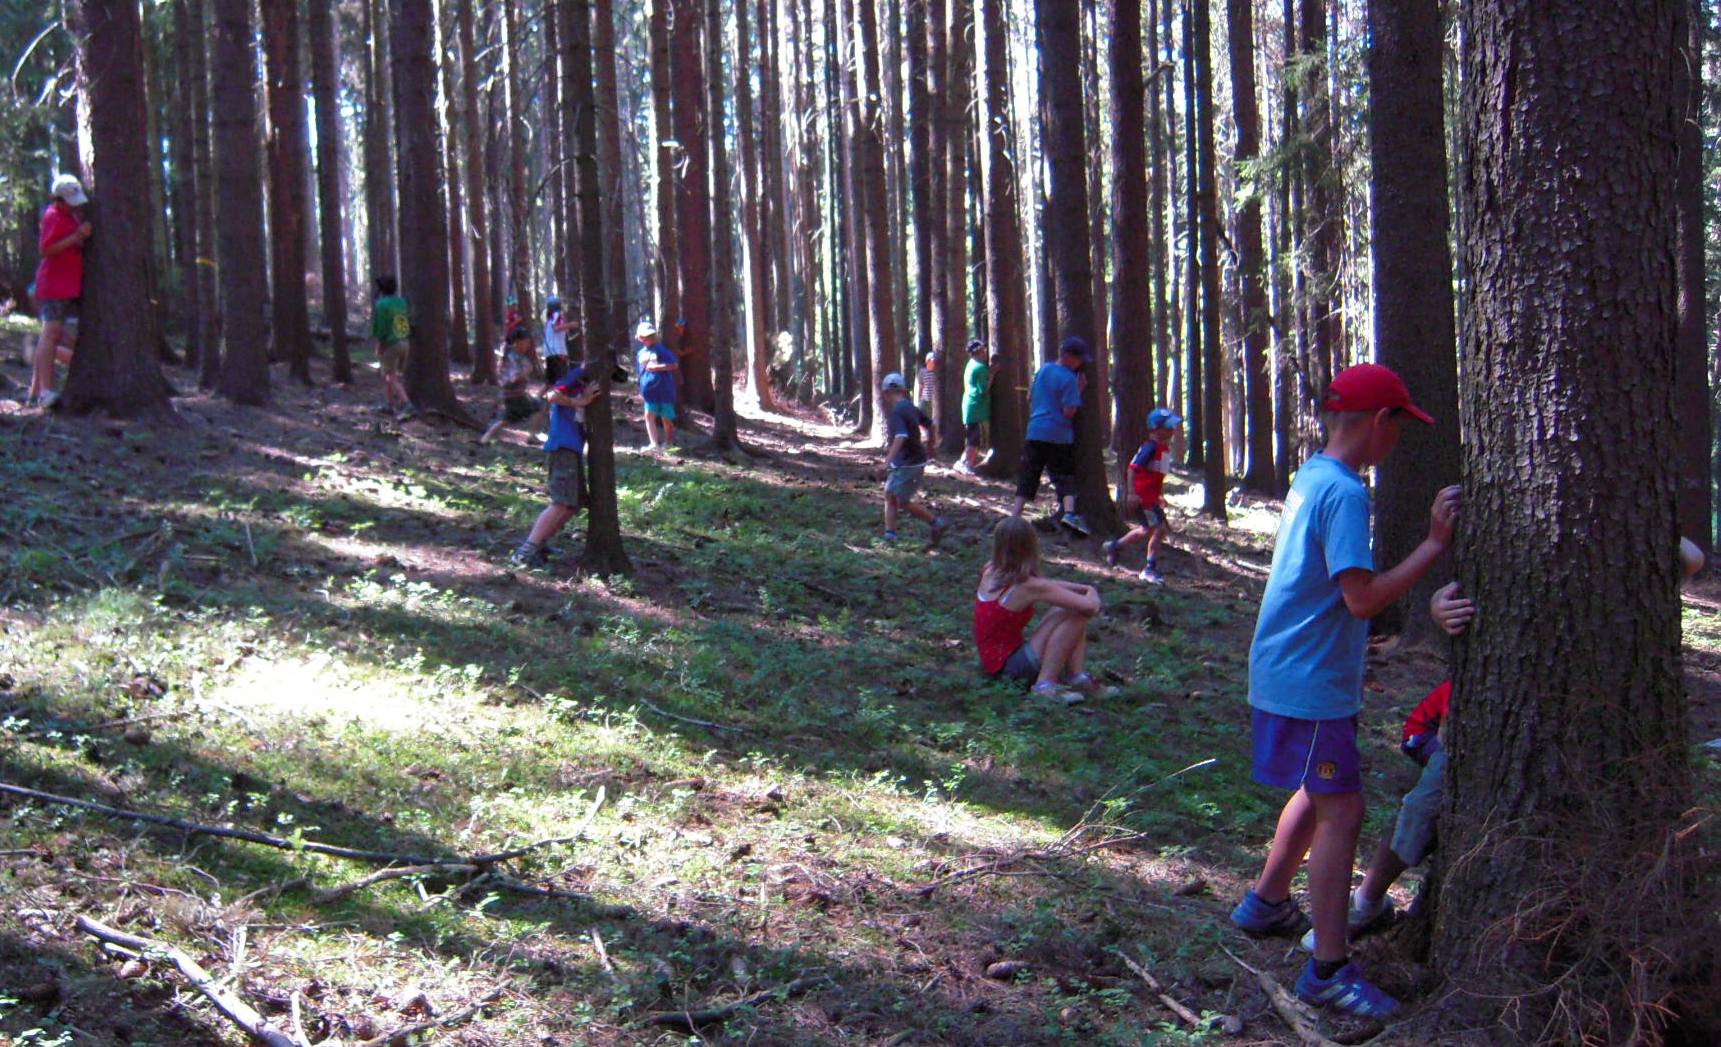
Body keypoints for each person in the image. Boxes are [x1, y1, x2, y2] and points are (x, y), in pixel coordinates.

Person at [1311, 537, 1708, 950]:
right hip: (1489, 728)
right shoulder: (1510, 565)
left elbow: (1691, 558)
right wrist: (1437, 607)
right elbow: (1456, 598)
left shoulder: (1622, 568)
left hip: (1591, 735)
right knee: (1422, 804)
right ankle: (1368, 901)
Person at [1227, 363, 1458, 1020]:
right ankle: (1327, 968)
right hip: (1308, 676)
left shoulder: (1313, 474)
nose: (1399, 440)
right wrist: (1433, 545)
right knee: (1343, 811)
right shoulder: (1346, 493)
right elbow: (1361, 599)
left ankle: (1267, 900)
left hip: (1292, 669)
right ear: (1379, 421)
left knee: (1319, 788)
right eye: (1399, 426)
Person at [974, 515, 1103, 705]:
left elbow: (1046, 585)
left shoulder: (990, 570)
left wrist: (1082, 588)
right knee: (1077, 613)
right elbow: (1090, 607)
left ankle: (1077, 677)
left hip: (993, 665)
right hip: (1012, 669)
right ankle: (1045, 684)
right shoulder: (1027, 586)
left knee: (1063, 609)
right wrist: (1091, 592)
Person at [511, 363, 600, 568]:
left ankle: (540, 544)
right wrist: (581, 400)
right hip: (563, 445)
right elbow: (551, 396)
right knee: (561, 502)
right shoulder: (577, 375)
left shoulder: (586, 381)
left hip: (573, 448)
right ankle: (525, 552)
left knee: (574, 503)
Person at [1013, 336, 1092, 536]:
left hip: (1035, 430)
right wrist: (1079, 390)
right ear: (1068, 357)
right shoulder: (1069, 379)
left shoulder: (1043, 370)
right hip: (1058, 434)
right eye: (1079, 359)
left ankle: (1015, 515)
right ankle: (1070, 514)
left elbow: (1029, 396)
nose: (1080, 364)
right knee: (1063, 475)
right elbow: (1069, 411)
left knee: (1029, 472)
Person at [29, 175, 92, 407]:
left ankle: (36, 390)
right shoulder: (52, 216)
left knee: (55, 336)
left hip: (68, 286)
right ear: (58, 199)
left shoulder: (69, 217)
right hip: (54, 285)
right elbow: (46, 249)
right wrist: (76, 237)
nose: (74, 206)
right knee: (51, 334)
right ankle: (45, 391)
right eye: (69, 202)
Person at [1103, 408, 1180, 584]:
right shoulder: (1150, 448)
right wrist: (1131, 493)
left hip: (1152, 498)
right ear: (1156, 429)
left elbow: (1158, 476)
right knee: (1157, 529)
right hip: (1143, 498)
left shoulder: (1163, 450)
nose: (1172, 430)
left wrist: (1160, 495)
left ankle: (1115, 546)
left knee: (1149, 530)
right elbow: (1133, 469)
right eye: (1168, 427)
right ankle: (1149, 569)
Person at [879, 372, 951, 545]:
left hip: (906, 464)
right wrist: (931, 446)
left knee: (895, 498)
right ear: (903, 391)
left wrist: (886, 462)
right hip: (916, 461)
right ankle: (892, 533)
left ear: (886, 393)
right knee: (893, 496)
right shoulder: (910, 407)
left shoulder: (897, 412)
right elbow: (930, 425)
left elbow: (900, 436)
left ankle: (933, 523)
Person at [480, 327, 544, 444]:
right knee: (538, 406)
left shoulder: (515, 355)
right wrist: (527, 371)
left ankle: (485, 438)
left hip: (512, 395)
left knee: (507, 418)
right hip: (515, 395)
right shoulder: (513, 357)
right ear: (518, 342)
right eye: (526, 342)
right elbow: (514, 378)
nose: (528, 345)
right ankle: (532, 436)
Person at [370, 275, 412, 418]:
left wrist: (379, 345)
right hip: (405, 342)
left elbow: (381, 328)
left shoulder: (381, 305)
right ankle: (389, 405)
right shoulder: (401, 302)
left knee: (390, 377)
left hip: (391, 344)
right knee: (387, 375)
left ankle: (407, 404)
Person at [636, 320, 679, 451]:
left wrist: (657, 367)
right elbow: (640, 372)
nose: (649, 338)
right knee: (649, 415)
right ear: (640, 338)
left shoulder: (661, 350)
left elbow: (674, 365)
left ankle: (668, 443)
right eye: (645, 336)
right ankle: (653, 443)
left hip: (664, 390)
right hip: (649, 392)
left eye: (651, 336)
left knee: (666, 418)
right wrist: (640, 389)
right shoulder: (640, 353)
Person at [959, 339, 994, 475]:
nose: (985, 352)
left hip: (970, 407)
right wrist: (993, 374)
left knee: (971, 437)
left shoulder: (971, 364)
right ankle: (968, 465)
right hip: (976, 408)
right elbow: (983, 390)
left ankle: (963, 462)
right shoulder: (980, 368)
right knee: (974, 439)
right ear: (978, 352)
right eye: (983, 350)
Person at [542, 295, 574, 384]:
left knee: (551, 381)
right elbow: (556, 328)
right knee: (559, 379)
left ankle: (543, 393)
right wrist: (571, 325)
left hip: (550, 352)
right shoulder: (557, 315)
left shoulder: (548, 320)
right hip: (557, 352)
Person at [916, 351, 939, 416]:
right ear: (927, 362)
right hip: (925, 399)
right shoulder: (922, 372)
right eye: (931, 361)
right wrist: (920, 398)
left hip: (934, 401)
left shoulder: (937, 373)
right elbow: (921, 386)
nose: (933, 363)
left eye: (934, 362)